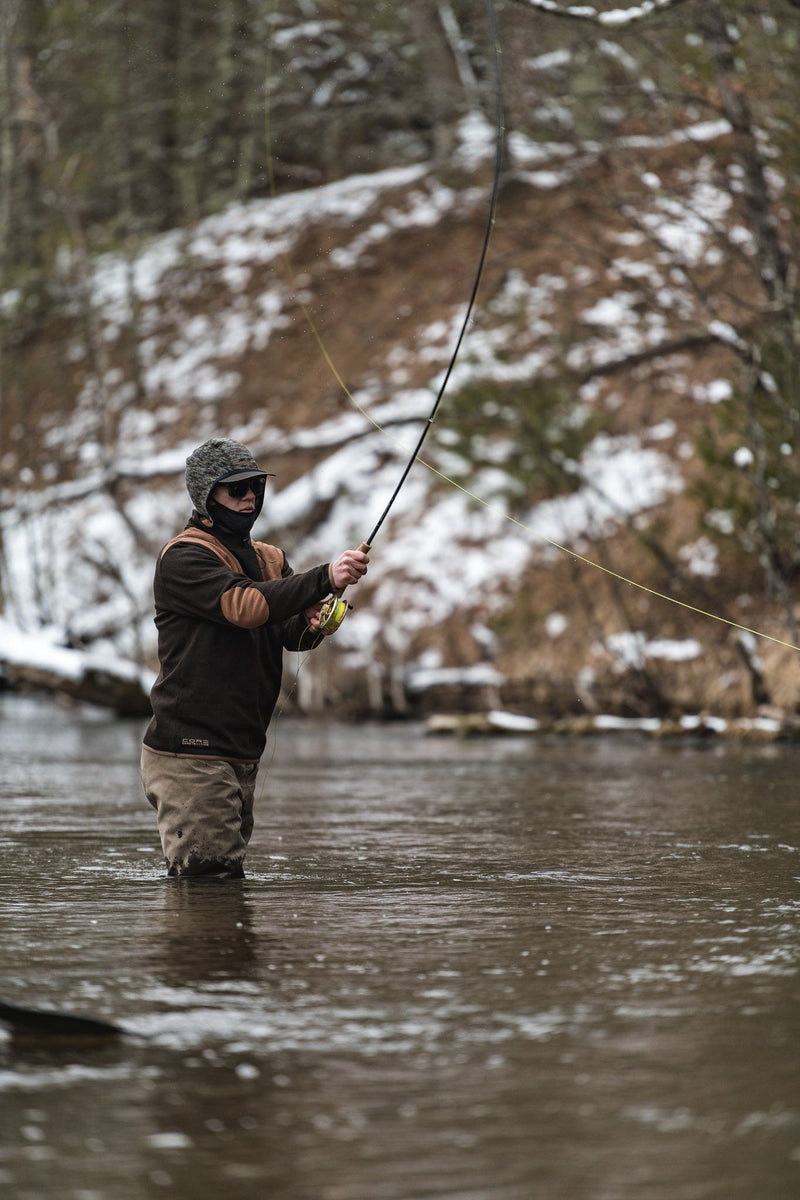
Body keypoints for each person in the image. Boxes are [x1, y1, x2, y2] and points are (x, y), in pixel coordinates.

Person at [140, 437, 369, 879]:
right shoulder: (184, 557)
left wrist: (315, 622)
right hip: (190, 753)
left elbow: (288, 634)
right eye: (236, 489)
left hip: (241, 750)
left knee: (221, 884)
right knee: (209, 884)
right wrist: (323, 576)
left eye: (255, 488)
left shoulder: (269, 558)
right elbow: (245, 607)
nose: (249, 498)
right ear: (207, 496)